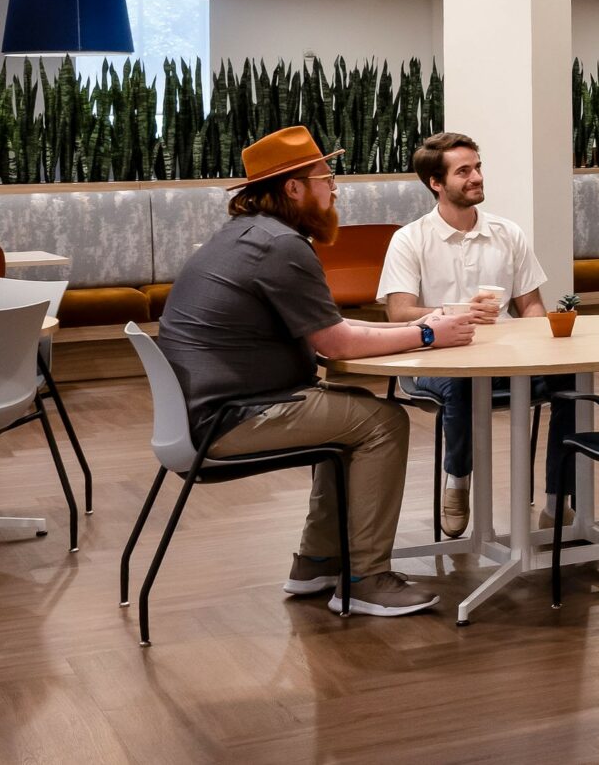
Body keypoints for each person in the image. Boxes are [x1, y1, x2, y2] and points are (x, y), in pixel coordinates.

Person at [153, 125, 475, 618]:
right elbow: (336, 343)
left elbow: (329, 327)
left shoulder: (247, 236)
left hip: (208, 411)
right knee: (383, 422)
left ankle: (317, 561)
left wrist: (418, 327)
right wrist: (429, 335)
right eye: (326, 179)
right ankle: (366, 579)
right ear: (293, 188)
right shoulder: (279, 245)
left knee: (354, 409)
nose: (333, 191)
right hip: (230, 418)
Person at [378, 131, 572, 536]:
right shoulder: (409, 239)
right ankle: (458, 480)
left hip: (506, 360)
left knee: (571, 379)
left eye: (478, 167)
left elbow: (530, 305)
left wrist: (543, 343)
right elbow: (399, 314)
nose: (477, 177)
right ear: (436, 182)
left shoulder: (508, 233)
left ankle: (559, 501)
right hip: (435, 361)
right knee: (462, 382)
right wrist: (458, 312)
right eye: (463, 171)